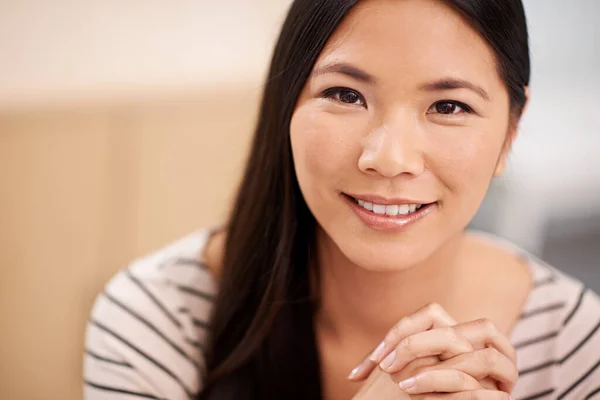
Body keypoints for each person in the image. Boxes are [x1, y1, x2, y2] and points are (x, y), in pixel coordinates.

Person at [83, 0, 600, 399]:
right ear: (286, 103)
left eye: (448, 105)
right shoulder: (155, 317)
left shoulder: (577, 345)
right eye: (345, 95)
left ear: (512, 130)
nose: (390, 158)